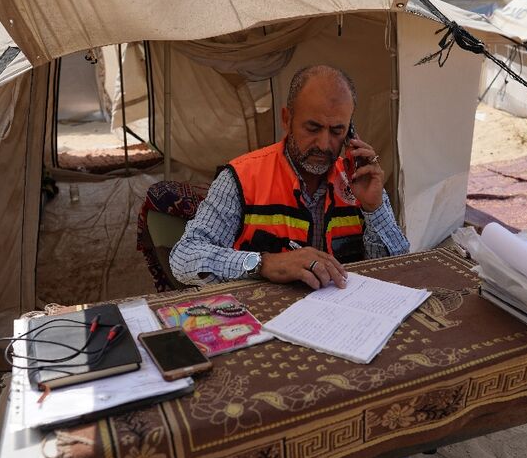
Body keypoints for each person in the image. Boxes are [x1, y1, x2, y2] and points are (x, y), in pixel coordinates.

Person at [169, 65, 409, 290]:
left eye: (337, 131)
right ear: (286, 120)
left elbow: (399, 268)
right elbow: (184, 257)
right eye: (312, 128)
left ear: (350, 132)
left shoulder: (358, 179)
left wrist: (373, 207)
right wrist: (264, 263)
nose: (324, 145)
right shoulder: (242, 177)